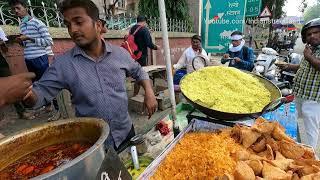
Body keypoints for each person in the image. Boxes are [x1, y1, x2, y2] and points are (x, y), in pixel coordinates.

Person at [23, 0, 158, 151]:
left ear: (98, 25)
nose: (73, 30)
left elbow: (138, 71)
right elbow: (40, 93)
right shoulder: (62, 64)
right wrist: (28, 95)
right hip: (93, 145)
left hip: (125, 133)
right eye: (68, 25)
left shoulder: (120, 54)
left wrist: (149, 92)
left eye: (79, 22)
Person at [276, 18, 320, 149]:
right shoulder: (311, 49)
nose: (312, 36)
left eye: (316, 32)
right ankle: (299, 150)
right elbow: (303, 67)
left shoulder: (309, 53)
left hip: (313, 99)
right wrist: (288, 66)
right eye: (309, 34)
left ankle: (309, 158)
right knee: (299, 125)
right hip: (300, 94)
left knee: (310, 130)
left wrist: (309, 57)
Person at [9, 0, 53, 82]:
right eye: (13, 9)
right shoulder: (22, 25)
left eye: (18, 8)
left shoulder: (38, 23)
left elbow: (49, 42)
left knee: (45, 83)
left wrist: (29, 38)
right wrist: (20, 42)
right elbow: (26, 45)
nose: (15, 11)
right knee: (35, 84)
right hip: (28, 59)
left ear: (26, 8)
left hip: (40, 59)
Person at [130, 15, 159, 96]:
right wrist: (156, 47)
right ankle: (147, 94)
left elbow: (137, 38)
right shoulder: (144, 29)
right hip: (141, 56)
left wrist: (148, 32)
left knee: (137, 74)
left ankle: (135, 95)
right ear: (144, 21)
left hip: (133, 55)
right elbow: (149, 44)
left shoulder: (132, 29)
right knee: (142, 75)